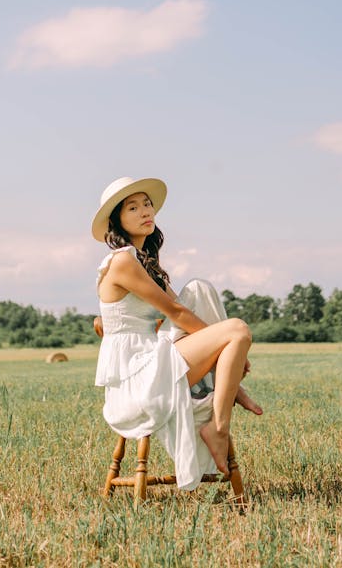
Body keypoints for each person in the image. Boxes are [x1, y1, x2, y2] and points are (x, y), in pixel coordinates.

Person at [93, 176, 262, 491]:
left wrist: (226, 349)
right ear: (117, 221)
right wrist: (228, 347)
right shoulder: (122, 262)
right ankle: (219, 427)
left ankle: (230, 383)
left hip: (154, 359)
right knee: (236, 330)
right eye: (133, 208)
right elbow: (177, 314)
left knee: (199, 289)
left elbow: (180, 305)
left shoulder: (145, 262)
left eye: (147, 204)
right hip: (139, 377)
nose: (145, 212)